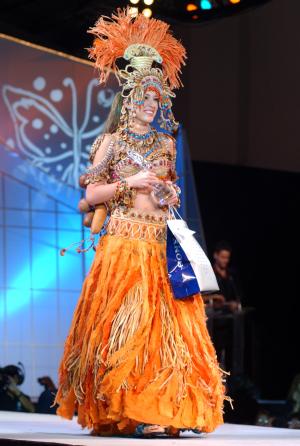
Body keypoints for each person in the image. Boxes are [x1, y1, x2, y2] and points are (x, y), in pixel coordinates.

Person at [54, 8, 229, 437]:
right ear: (130, 99)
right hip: (122, 247)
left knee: (166, 330)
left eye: (157, 101)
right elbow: (89, 197)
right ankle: (128, 406)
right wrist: (128, 183)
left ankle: (162, 409)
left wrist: (169, 194)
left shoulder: (166, 145)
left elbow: (170, 195)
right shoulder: (111, 142)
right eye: (145, 99)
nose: (152, 107)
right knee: (123, 330)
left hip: (158, 246)